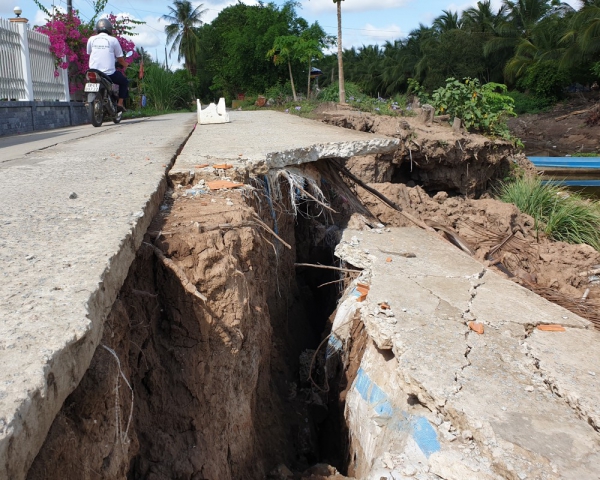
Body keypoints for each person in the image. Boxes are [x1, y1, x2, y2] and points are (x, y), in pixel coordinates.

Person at [87, 18, 129, 111]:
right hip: (109, 74)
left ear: (97, 28)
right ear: (110, 29)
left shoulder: (91, 39)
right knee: (124, 82)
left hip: (93, 72)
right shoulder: (113, 40)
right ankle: (120, 104)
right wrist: (125, 64)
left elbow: (90, 53)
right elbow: (120, 59)